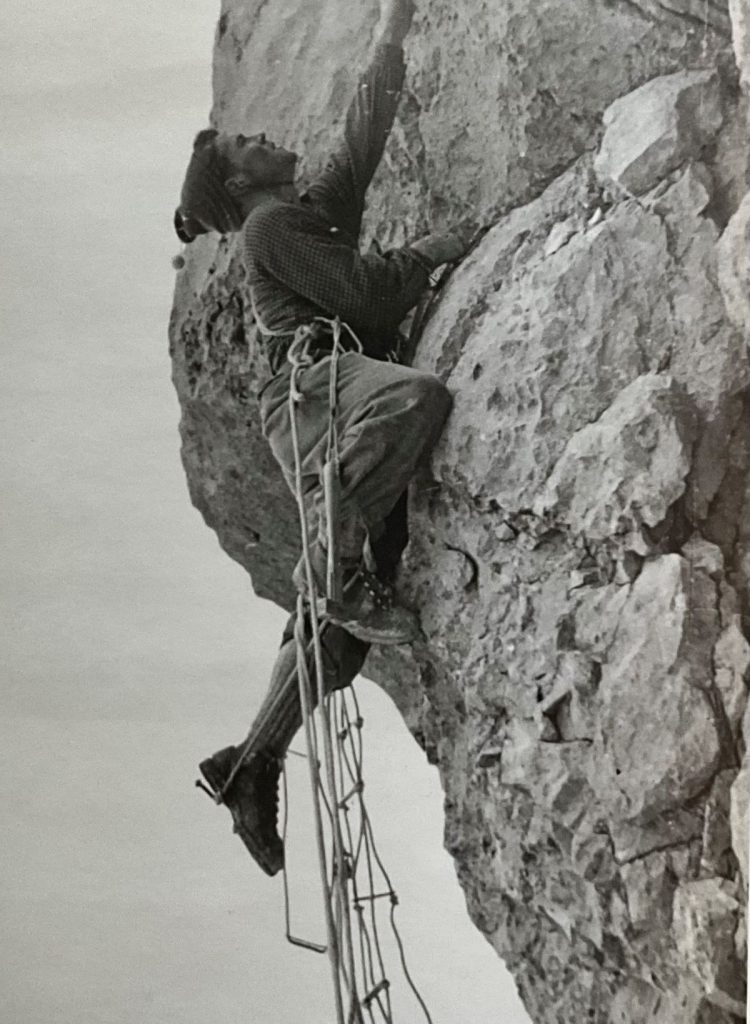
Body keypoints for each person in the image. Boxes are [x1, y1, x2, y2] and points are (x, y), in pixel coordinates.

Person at [174, 0, 472, 875]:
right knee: (414, 400)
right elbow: (373, 297)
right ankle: (333, 569)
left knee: (339, 639)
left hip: (323, 395)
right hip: (317, 392)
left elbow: (359, 137)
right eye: (245, 145)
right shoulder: (271, 229)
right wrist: (431, 251)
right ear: (239, 186)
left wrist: (393, 29)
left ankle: (251, 761)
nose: (261, 133)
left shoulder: (300, 210)